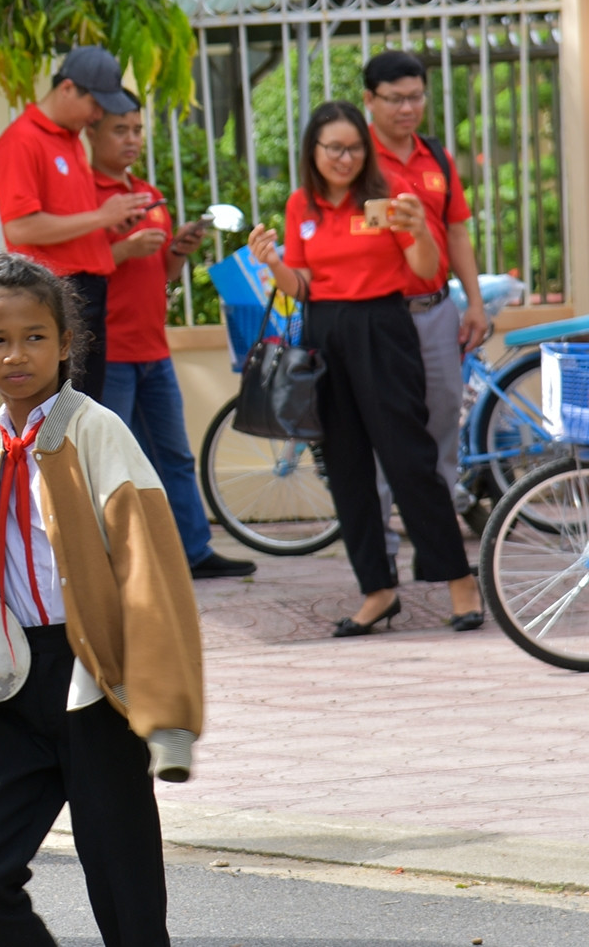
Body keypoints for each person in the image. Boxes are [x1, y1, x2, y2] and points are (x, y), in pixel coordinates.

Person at [0, 252, 204, 947]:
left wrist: (168, 710)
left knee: (125, 895)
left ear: (67, 344)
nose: (17, 353)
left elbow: (153, 569)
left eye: (35, 336)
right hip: (17, 683)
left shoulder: (96, 431)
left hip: (94, 679)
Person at [245, 102, 484, 635]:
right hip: (325, 336)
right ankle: (377, 590)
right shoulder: (301, 204)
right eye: (334, 147)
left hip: (384, 329)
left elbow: (425, 270)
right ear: (314, 150)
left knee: (410, 458)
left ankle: (458, 580)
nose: (345, 157)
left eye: (354, 147)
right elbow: (301, 287)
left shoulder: (384, 201)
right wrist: (274, 262)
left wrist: (421, 229)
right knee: (347, 467)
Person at [86, 94, 258, 580]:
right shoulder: (86, 196)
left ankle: (193, 551)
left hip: (152, 348)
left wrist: (176, 253)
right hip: (110, 352)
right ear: (93, 134)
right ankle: (108, 559)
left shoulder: (147, 193)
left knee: (174, 455)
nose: (132, 139)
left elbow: (158, 276)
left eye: (137, 129)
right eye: (121, 130)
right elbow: (79, 268)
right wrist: (124, 248)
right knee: (109, 460)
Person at [362, 50, 489, 530]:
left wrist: (473, 303)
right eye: (395, 99)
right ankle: (380, 551)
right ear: (370, 99)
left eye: (415, 97)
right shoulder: (354, 158)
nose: (407, 108)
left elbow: (456, 231)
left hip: (436, 310)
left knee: (440, 423)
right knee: (378, 431)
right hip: (377, 314)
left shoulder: (436, 156)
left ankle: (437, 541)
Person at [0, 45, 151, 400]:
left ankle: (69, 456)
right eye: (95, 104)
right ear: (67, 89)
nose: (97, 116)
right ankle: (49, 456)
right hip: (58, 290)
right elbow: (20, 228)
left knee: (84, 402)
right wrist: (101, 216)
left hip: (88, 289)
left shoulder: (72, 141)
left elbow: (68, 220)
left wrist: (112, 224)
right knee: (62, 401)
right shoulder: (22, 140)